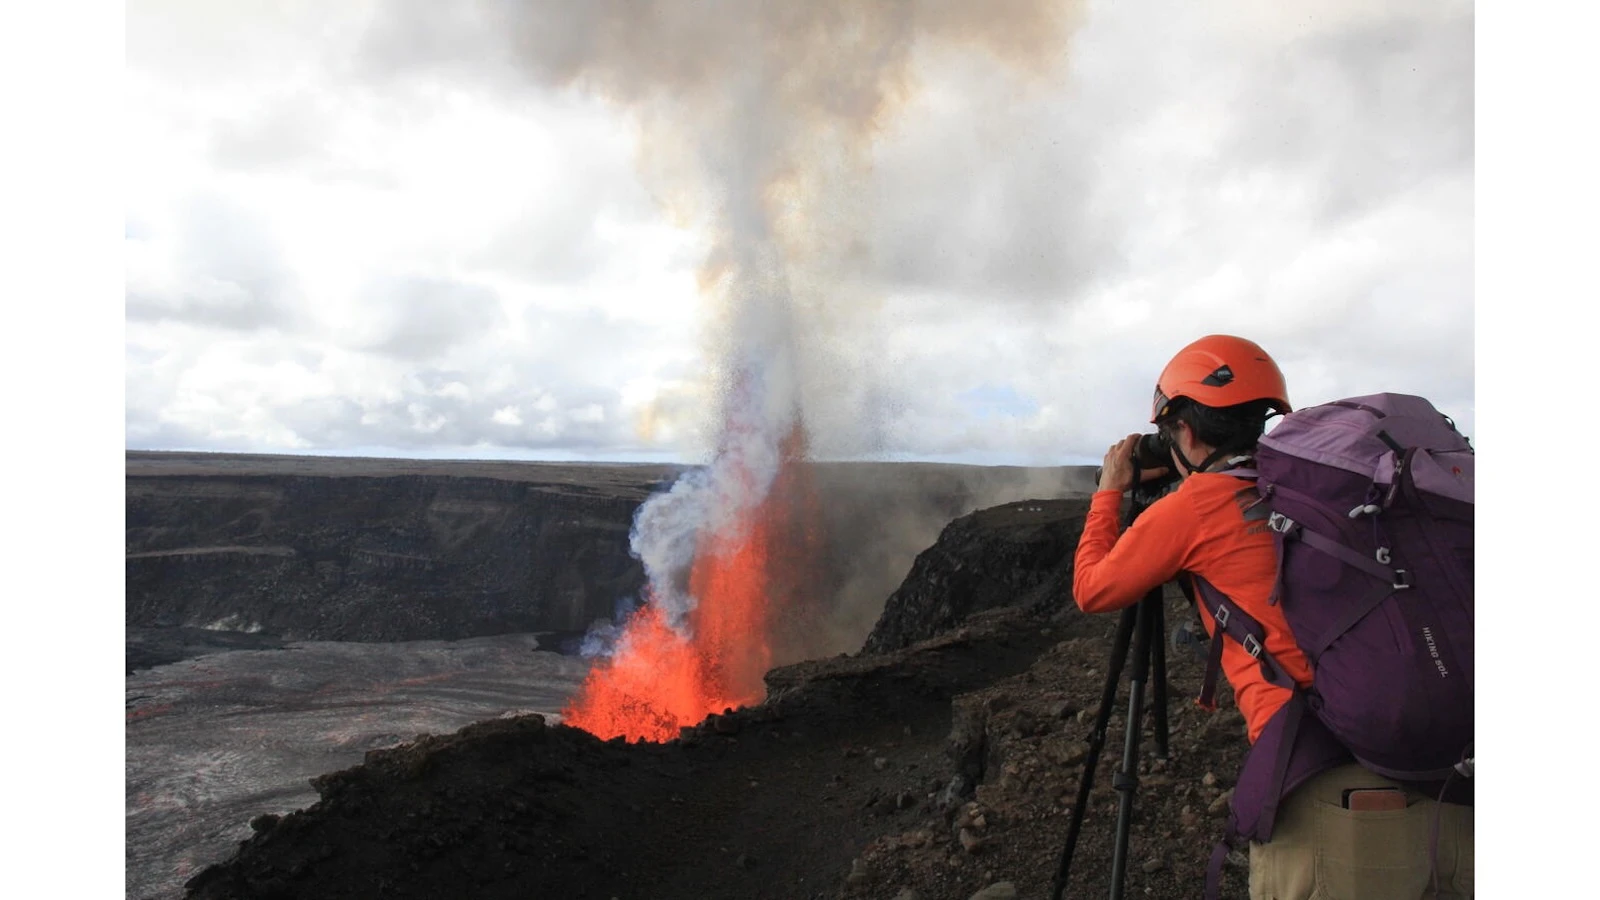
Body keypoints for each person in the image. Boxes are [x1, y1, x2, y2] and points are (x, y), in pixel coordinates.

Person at [1071, 334, 1473, 899]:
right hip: (1454, 776)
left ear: (1182, 429)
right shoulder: (1310, 486)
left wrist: (1109, 493)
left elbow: (1092, 589)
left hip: (1337, 801)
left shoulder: (1193, 509)